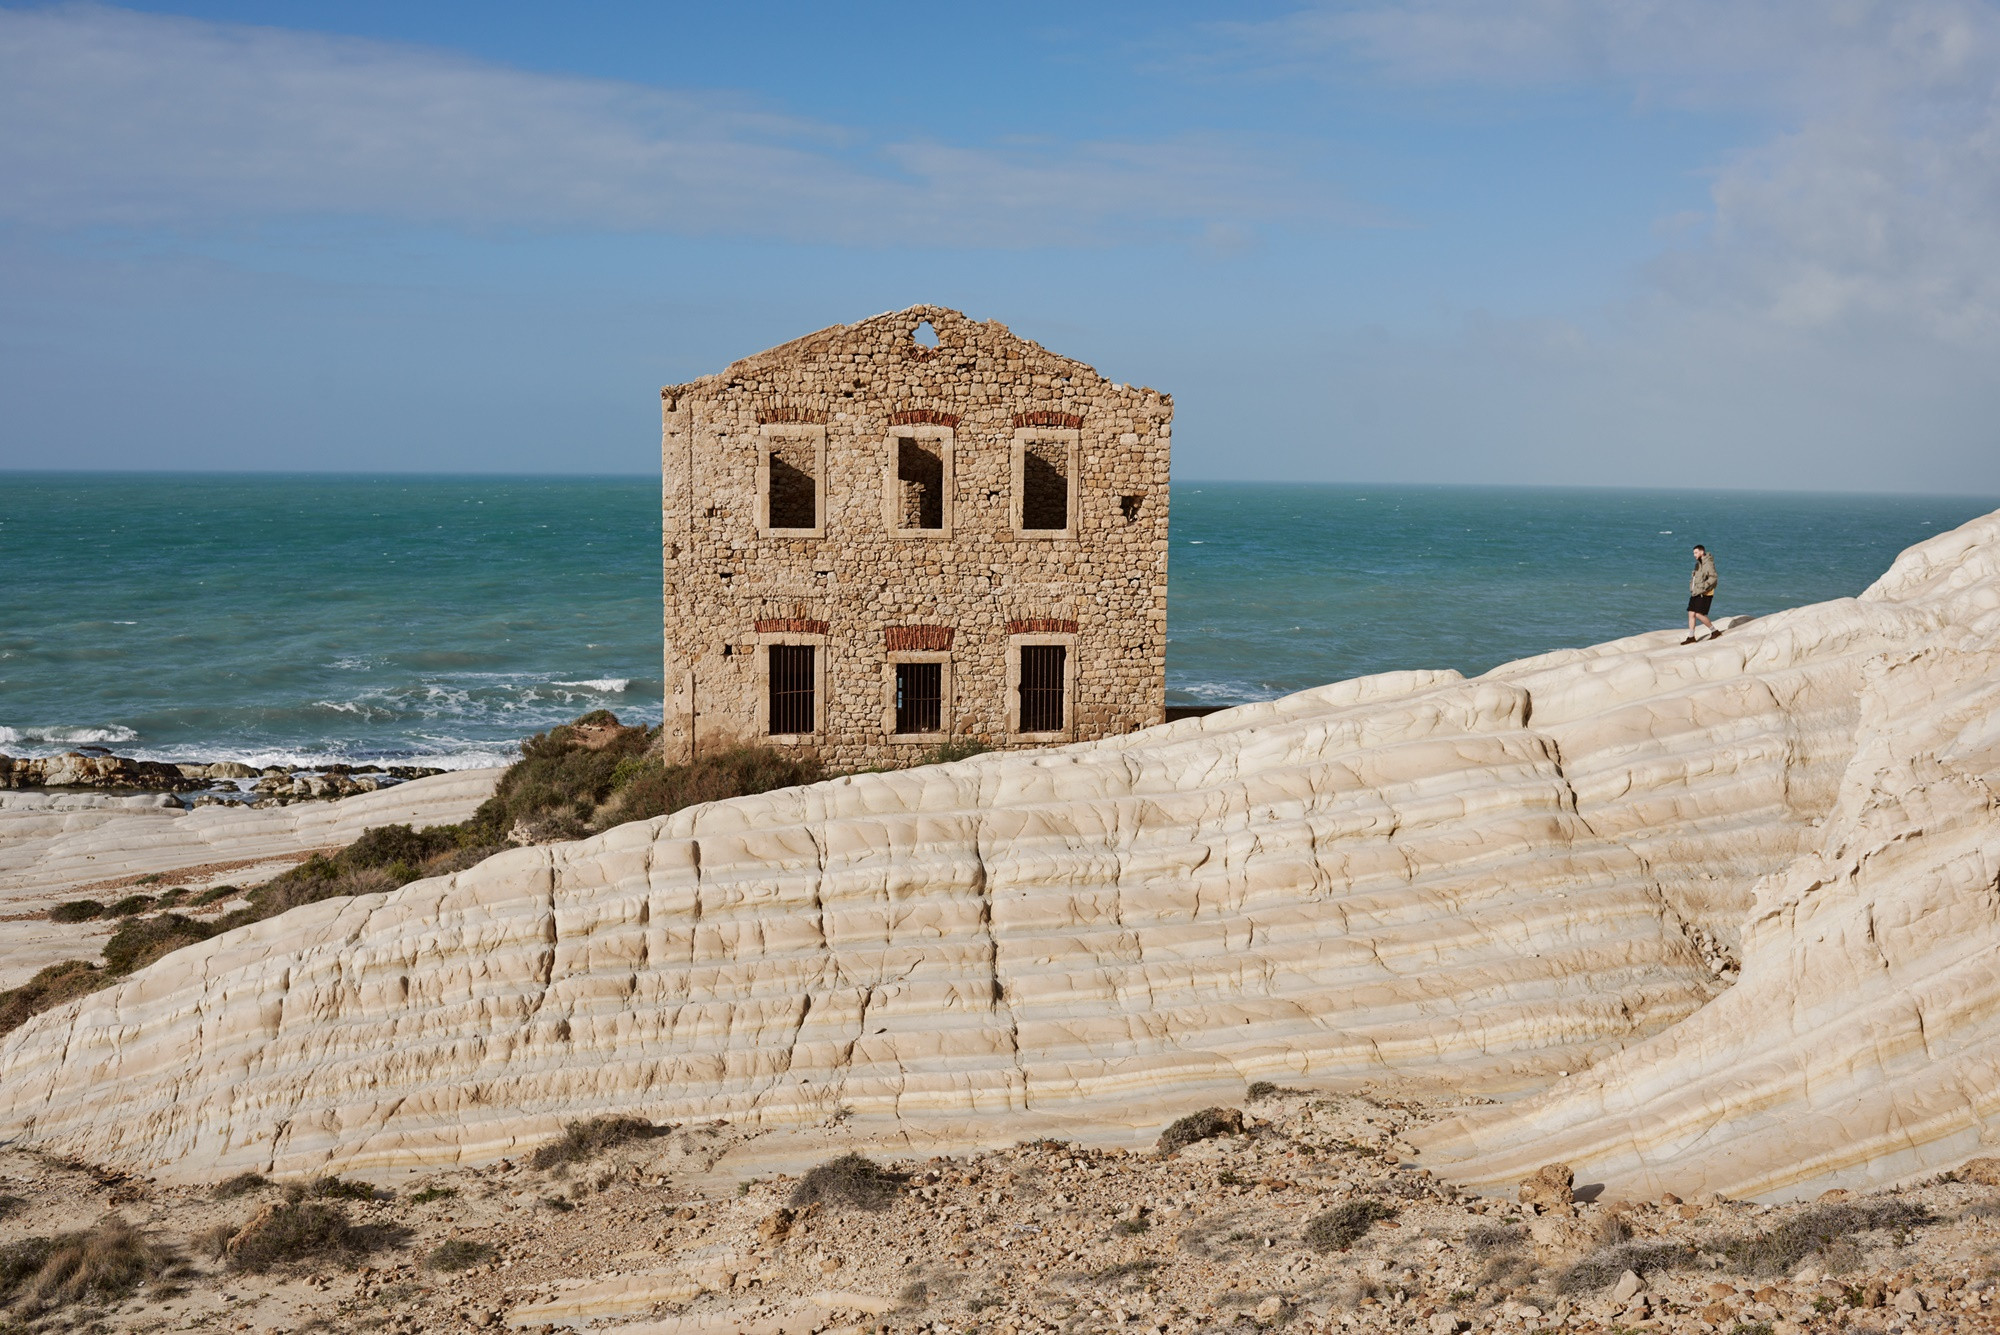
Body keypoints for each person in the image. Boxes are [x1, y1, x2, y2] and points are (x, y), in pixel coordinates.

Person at [1683, 544, 1719, 644]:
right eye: (1693, 553)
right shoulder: (1698, 564)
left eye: (1696, 552)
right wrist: (1693, 588)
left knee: (1699, 614)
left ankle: (1714, 631)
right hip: (1696, 591)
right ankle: (1691, 637)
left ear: (1701, 552)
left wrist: (1703, 586)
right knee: (1691, 613)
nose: (1694, 555)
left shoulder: (1709, 564)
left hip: (1705, 592)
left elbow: (1714, 578)